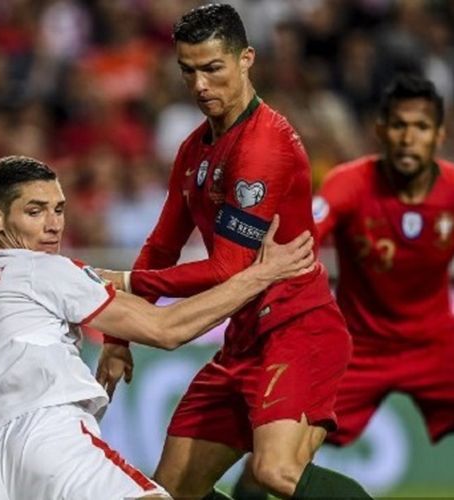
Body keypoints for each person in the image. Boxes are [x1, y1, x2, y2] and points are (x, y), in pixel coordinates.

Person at [96, 4, 372, 499]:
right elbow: (162, 245)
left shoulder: (264, 146)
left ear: (246, 59)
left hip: (296, 329)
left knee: (276, 473)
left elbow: (229, 267)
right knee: (171, 490)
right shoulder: (195, 148)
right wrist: (120, 335)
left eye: (212, 68)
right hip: (243, 339)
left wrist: (127, 285)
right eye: (188, 71)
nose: (200, 85)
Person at [0, 154, 315, 500]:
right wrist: (261, 275)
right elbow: (167, 328)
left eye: (59, 210)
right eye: (35, 212)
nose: (53, 225)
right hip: (43, 436)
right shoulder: (40, 266)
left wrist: (114, 341)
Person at [232, 73, 454, 500]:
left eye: (421, 127)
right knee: (274, 462)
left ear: (439, 135)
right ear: (381, 130)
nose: (408, 137)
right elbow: (304, 237)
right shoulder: (349, 183)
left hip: (437, 346)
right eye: (399, 125)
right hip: (360, 347)